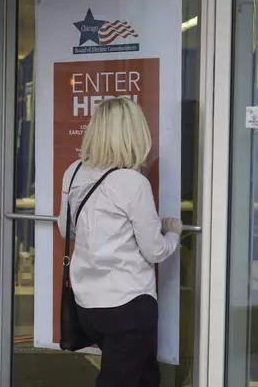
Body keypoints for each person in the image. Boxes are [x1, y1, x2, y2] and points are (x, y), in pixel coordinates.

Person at [57, 97, 183, 387]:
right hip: (126, 306)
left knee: (145, 376)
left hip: (87, 304)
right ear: (134, 134)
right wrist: (173, 232)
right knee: (122, 379)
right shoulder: (132, 182)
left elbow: (68, 232)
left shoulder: (73, 172)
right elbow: (155, 250)